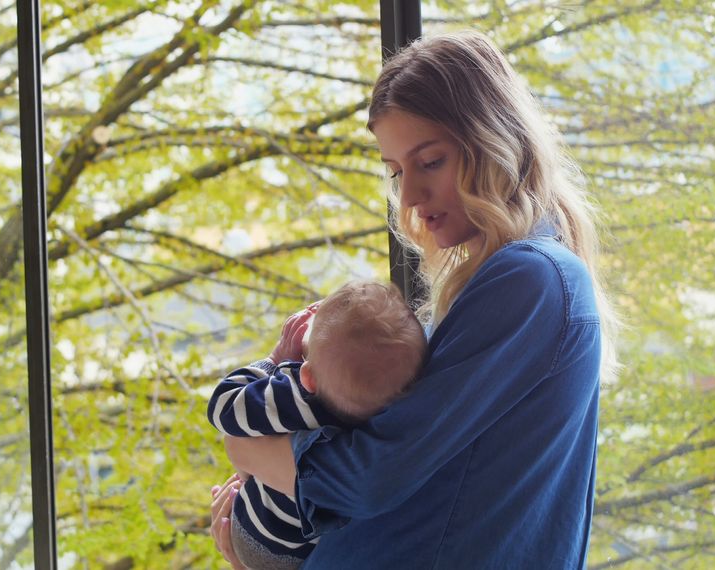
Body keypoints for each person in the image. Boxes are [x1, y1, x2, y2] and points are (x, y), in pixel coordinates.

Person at [210, 29, 618, 569]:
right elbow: (433, 495)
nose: (409, 197)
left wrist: (252, 450)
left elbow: (370, 478)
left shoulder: (532, 279)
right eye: (397, 171)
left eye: (429, 162)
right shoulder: (517, 282)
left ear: (492, 141)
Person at [207, 280, 426, 570]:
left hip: (252, 536)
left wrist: (275, 360)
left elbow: (223, 408)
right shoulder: (378, 421)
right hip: (305, 551)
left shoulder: (298, 398)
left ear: (307, 377)